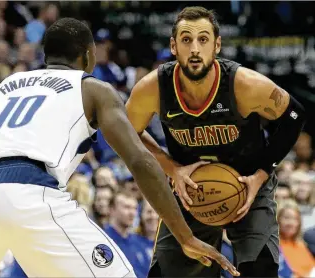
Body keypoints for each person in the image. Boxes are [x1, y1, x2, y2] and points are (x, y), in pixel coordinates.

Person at [0, 18, 238, 277]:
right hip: (30, 192)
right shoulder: (92, 88)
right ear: (88, 55)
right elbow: (139, 160)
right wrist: (185, 236)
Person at [126, 6, 306, 277]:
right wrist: (171, 168)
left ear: (217, 45)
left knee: (260, 269)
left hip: (247, 184)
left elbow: (294, 115)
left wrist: (261, 174)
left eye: (203, 39)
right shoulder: (153, 89)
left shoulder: (243, 84)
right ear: (174, 46)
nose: (195, 49)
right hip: (191, 189)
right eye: (186, 40)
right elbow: (127, 133)